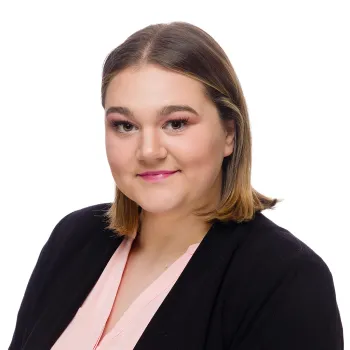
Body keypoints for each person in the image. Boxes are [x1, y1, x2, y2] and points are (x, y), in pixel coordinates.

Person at [9, 21, 343, 350]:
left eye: (176, 123)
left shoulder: (286, 280)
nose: (149, 151)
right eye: (125, 125)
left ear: (229, 133)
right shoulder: (73, 238)